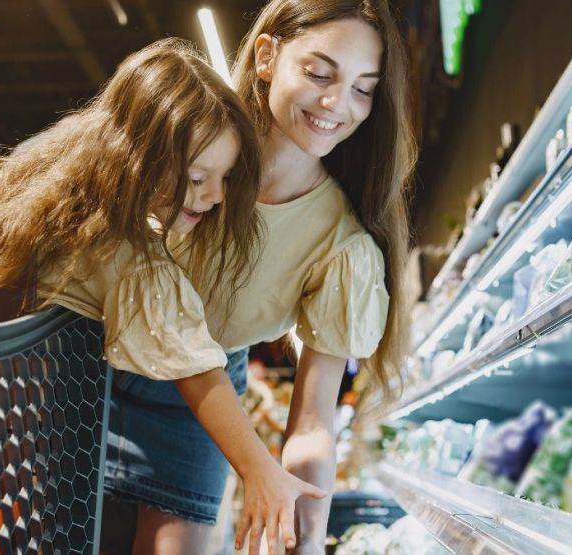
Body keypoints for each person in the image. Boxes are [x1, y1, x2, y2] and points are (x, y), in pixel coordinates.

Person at [0, 38, 326, 554]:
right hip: (37, 432)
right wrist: (260, 468)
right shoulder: (128, 254)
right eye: (196, 178)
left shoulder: (50, 172)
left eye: (227, 177)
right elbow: (195, 364)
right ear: (138, 158)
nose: (215, 195)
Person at [102, 1, 416, 553]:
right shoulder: (194, 136)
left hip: (201, 408)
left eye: (364, 89)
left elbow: (314, 423)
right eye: (319, 73)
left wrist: (308, 536)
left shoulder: (342, 246)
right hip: (89, 367)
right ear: (267, 55)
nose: (336, 103)